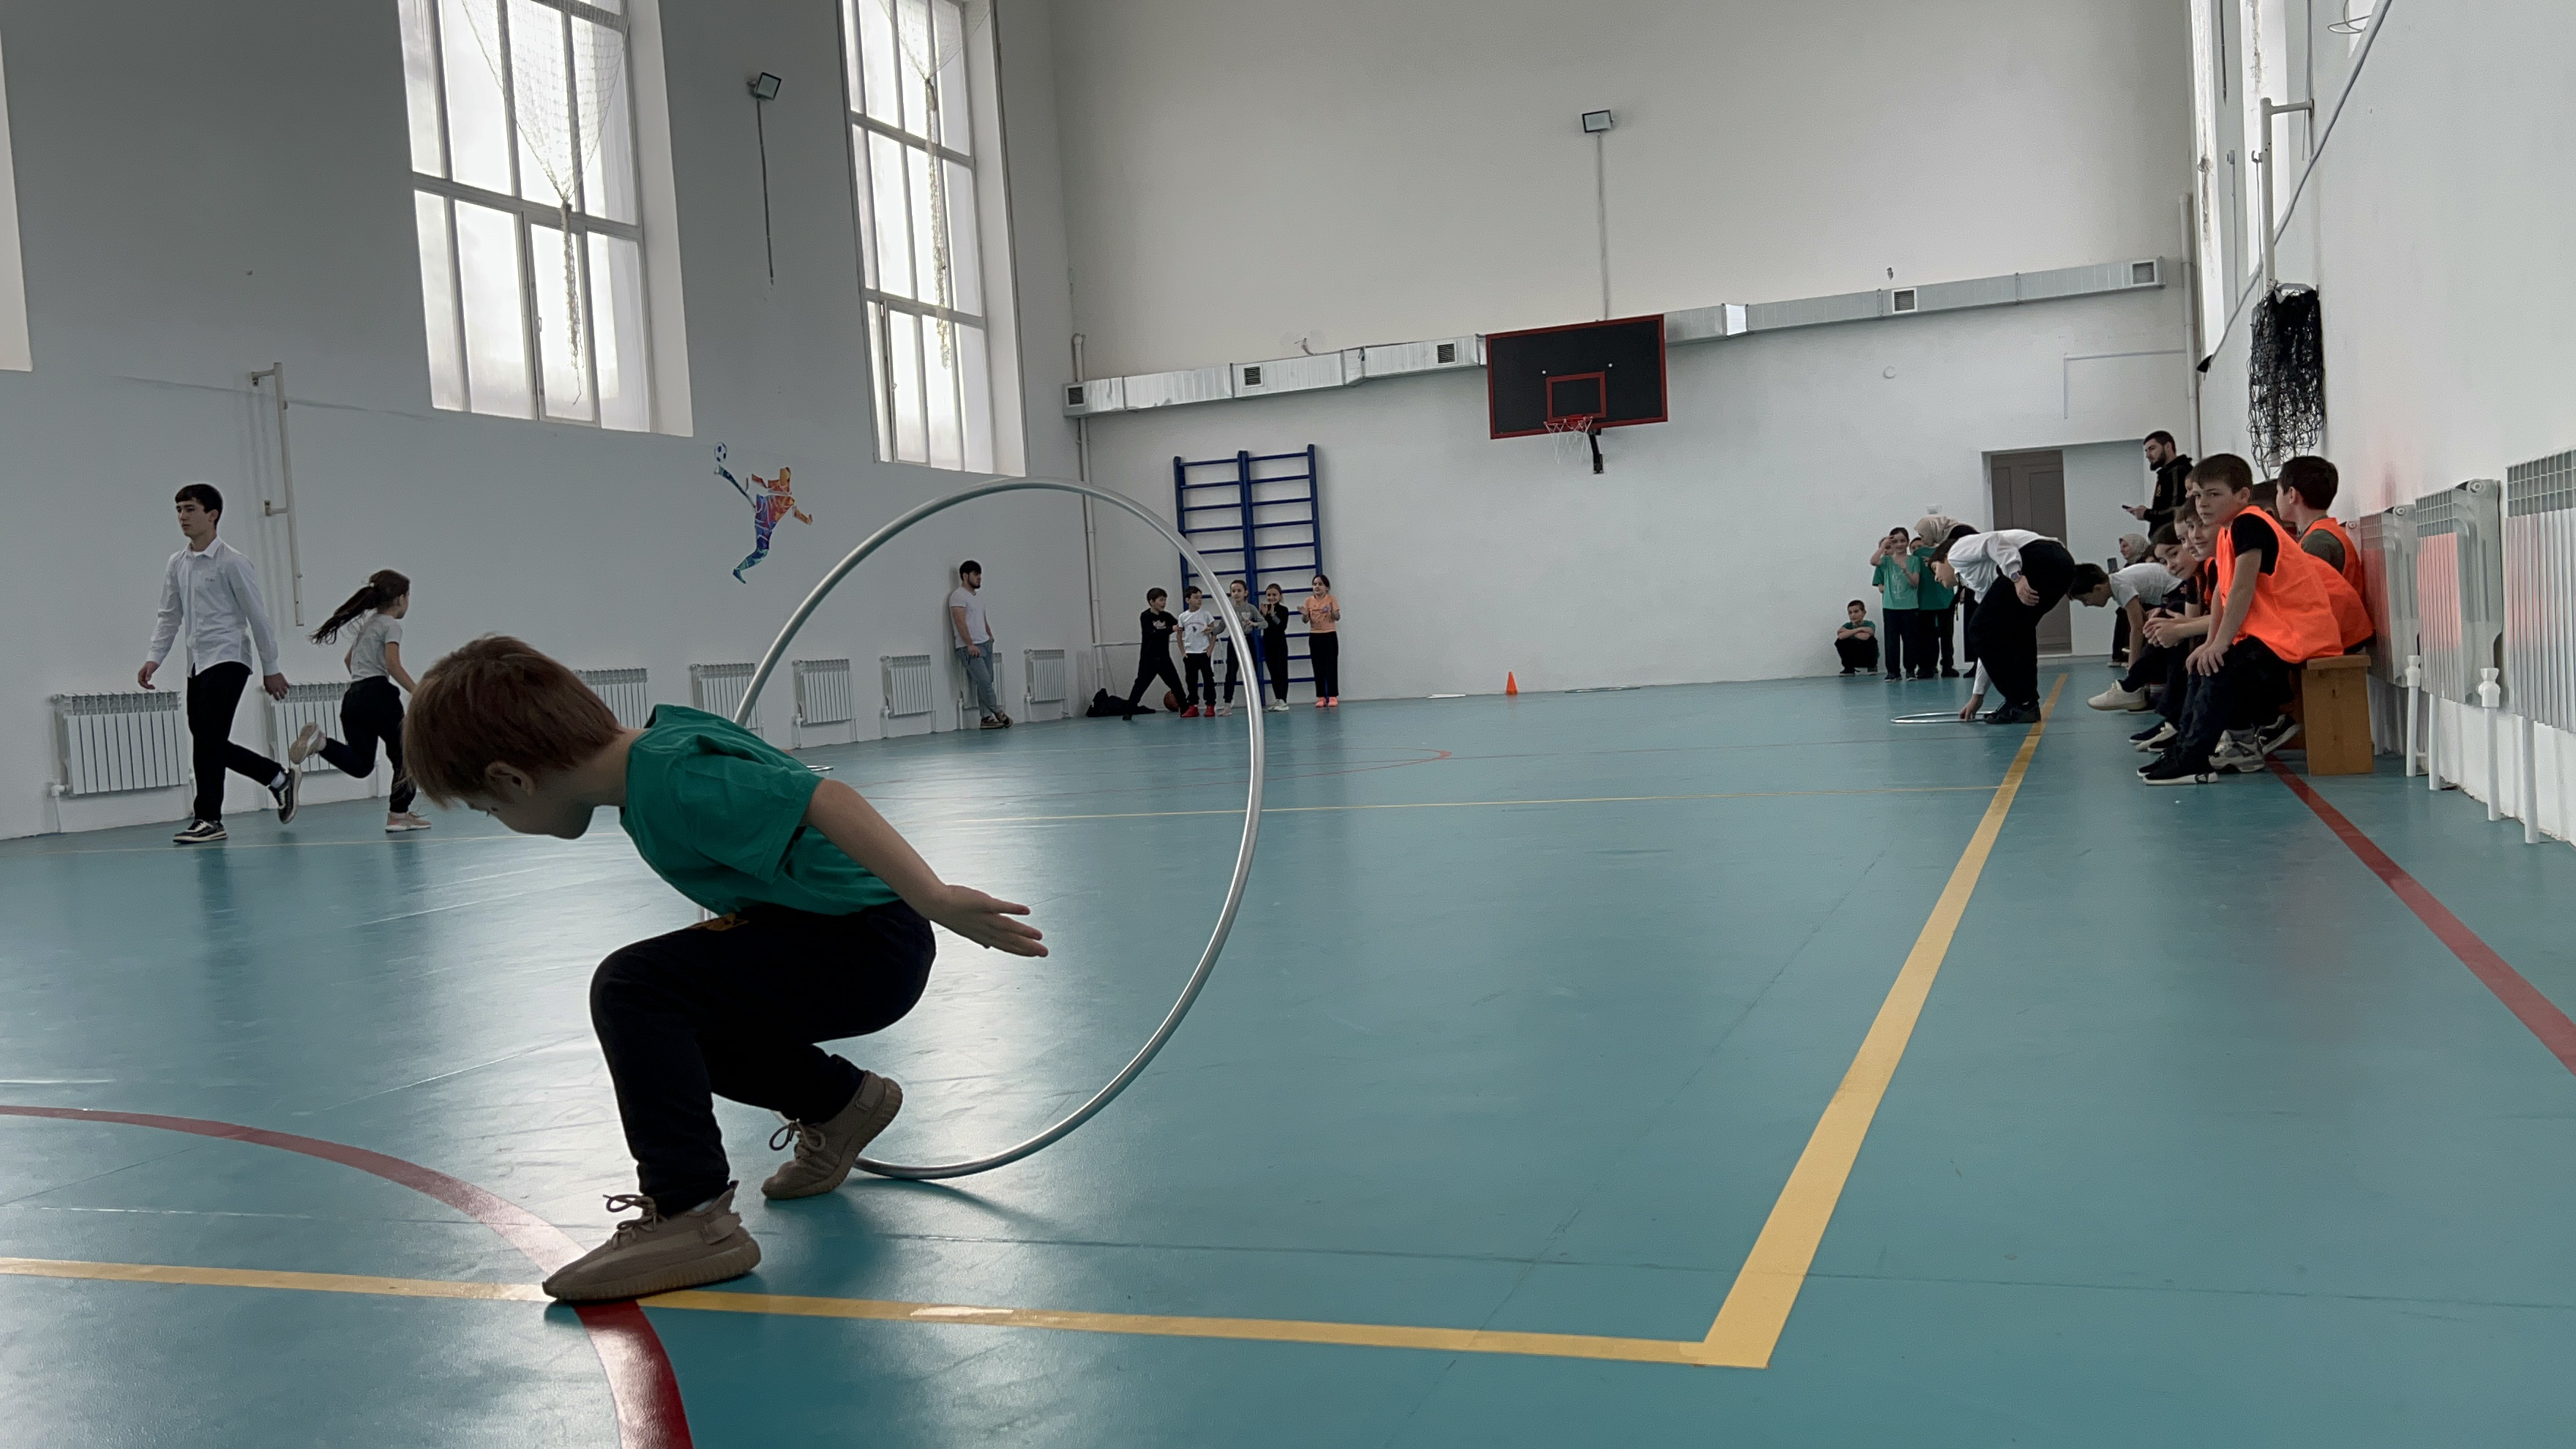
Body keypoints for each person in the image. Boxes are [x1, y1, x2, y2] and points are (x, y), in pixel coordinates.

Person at [402, 637, 1045, 1300]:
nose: (498, 818)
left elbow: (826, 798)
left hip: (865, 944)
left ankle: (690, 1213)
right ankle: (838, 1103)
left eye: (489, 809)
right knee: (672, 1019)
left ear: (512, 779)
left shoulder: (675, 778)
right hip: (837, 935)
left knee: (633, 987)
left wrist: (933, 897)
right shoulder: (655, 756)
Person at [2137, 454, 2344, 785]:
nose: (2203, 504)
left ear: (2242, 496)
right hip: (2275, 634)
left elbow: (2243, 589)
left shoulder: (2250, 522)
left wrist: (2220, 644)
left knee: (2219, 667)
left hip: (2298, 633)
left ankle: (2194, 757)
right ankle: (2186, 749)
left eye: (2214, 494)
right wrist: (2210, 642)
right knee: (2203, 662)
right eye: (2198, 495)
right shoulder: (2227, 534)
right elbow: (2224, 593)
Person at [141, 482, 298, 845]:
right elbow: (169, 615)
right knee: (207, 741)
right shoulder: (177, 564)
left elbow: (257, 616)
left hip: (229, 658)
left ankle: (209, 818)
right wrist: (154, 658)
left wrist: (271, 667)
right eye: (179, 510)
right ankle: (277, 778)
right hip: (197, 664)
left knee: (208, 741)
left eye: (190, 509)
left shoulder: (233, 562)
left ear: (212, 515)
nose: (182, 517)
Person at [287, 569, 429, 832]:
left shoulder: (369, 625)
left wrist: (364, 688)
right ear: (400, 599)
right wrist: (418, 691)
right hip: (379, 694)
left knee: (362, 764)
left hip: (353, 697)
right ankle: (398, 815)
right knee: (407, 756)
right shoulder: (391, 626)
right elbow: (393, 665)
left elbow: (349, 661)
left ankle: (321, 743)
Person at [1933, 528, 2111, 724]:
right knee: (2018, 632)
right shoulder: (1981, 585)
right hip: (2063, 565)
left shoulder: (1956, 552)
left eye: (1934, 568)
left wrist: (2016, 576)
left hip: (2039, 558)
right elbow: (1988, 648)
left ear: (1944, 557)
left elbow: (1993, 541)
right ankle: (2025, 705)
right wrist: (1978, 696)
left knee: (1980, 629)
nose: (1935, 578)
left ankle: (2020, 701)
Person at [2088, 544, 2187, 711]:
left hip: (2178, 590)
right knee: (2153, 634)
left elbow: (2136, 628)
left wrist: (2132, 668)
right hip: (2172, 592)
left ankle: (2130, 688)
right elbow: (2142, 620)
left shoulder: (2119, 585)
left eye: (2086, 600)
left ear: (2098, 589)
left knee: (2156, 636)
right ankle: (2144, 691)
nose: (2087, 604)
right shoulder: (2117, 582)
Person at [948, 561, 1009, 730]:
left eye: (980, 574)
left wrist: (989, 635)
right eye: (976, 574)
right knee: (984, 681)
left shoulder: (979, 598)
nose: (979, 578)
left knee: (988, 681)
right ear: (965, 576)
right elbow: (960, 622)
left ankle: (986, 718)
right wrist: (970, 644)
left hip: (985, 644)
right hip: (970, 647)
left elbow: (982, 619)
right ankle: (998, 712)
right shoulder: (958, 596)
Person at [1121, 588, 1186, 719]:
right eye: (1161, 600)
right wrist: (1171, 629)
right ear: (1152, 602)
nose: (1164, 603)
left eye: (1165, 600)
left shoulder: (1167, 616)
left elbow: (1180, 625)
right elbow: (1153, 633)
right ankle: (1129, 712)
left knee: (1176, 684)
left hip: (1164, 658)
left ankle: (1185, 709)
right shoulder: (1145, 616)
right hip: (1148, 659)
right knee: (1140, 686)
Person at [1869, 528, 1922, 681]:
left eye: (1903, 541)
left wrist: (1906, 571)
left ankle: (1910, 670)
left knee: (1910, 640)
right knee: (1891, 641)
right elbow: (1873, 561)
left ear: (1907, 542)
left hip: (1910, 606)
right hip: (1890, 607)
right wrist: (1883, 546)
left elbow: (1915, 583)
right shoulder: (1886, 560)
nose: (1899, 545)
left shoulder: (1914, 560)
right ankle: (1893, 671)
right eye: (1896, 541)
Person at [2123, 430, 2194, 534]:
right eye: (2146, 451)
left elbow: (2178, 511)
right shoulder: (2167, 473)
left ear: (2168, 447)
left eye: (2152, 448)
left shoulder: (2178, 472)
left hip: (2173, 540)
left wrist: (2147, 514)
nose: (2148, 455)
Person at [1218, 579, 1264, 717]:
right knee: (1231, 673)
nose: (1236, 593)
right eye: (1233, 591)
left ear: (1246, 593)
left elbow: (1264, 623)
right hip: (1234, 641)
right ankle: (1227, 705)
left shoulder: (1251, 608)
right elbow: (1221, 627)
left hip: (1248, 640)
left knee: (1252, 672)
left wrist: (1254, 624)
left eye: (1239, 591)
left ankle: (1256, 705)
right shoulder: (1228, 609)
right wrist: (1211, 631)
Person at [1176, 585, 1218, 718]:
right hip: (1190, 654)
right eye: (1196, 597)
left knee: (1208, 680)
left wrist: (1210, 649)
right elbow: (1179, 635)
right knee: (1191, 681)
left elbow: (1214, 632)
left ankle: (1210, 705)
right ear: (1188, 600)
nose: (1199, 600)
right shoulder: (1183, 617)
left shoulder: (1206, 615)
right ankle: (1193, 706)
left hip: (1203, 653)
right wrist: (1183, 652)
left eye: (1201, 597)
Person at [1303, 574, 1342, 707]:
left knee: (1331, 666)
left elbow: (1337, 617)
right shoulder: (1308, 601)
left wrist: (1332, 611)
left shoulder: (1331, 599)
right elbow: (1305, 620)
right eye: (1315, 584)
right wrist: (1305, 615)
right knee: (1317, 666)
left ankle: (1332, 696)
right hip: (1315, 636)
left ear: (1327, 587)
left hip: (1329, 635)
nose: (1317, 587)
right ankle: (1321, 697)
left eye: (1320, 584)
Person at [1259, 583, 1294, 711]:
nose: (1271, 597)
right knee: (1273, 673)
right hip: (1268, 645)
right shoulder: (1264, 609)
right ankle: (1278, 699)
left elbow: (1282, 627)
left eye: (1274, 595)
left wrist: (1273, 615)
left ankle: (1284, 700)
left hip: (1280, 645)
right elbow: (1261, 626)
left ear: (1280, 596)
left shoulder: (1284, 610)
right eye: (1269, 595)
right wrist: (1263, 616)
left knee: (1282, 673)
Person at [1835, 601, 1879, 675]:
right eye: (1850, 613)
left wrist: (1849, 632)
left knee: (1871, 640)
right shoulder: (1847, 625)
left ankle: (1872, 666)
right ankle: (1849, 668)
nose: (1853, 615)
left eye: (1856, 612)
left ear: (1864, 613)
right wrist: (1859, 630)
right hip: (1853, 655)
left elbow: (1865, 637)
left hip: (1866, 655)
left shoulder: (1869, 624)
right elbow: (1840, 636)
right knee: (1840, 642)